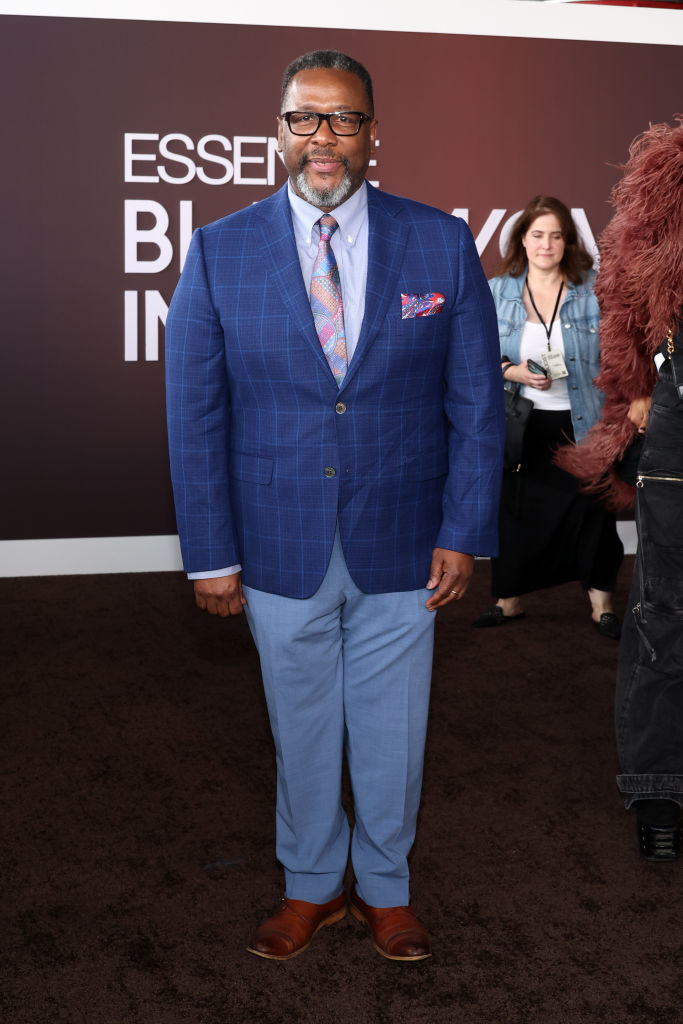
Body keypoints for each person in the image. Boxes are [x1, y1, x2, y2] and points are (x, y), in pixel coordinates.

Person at [165, 50, 505, 961]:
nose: (324, 138)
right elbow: (195, 414)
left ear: (372, 132)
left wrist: (465, 529)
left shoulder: (437, 242)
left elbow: (477, 404)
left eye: (343, 120)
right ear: (277, 131)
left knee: (394, 727)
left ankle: (386, 888)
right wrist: (210, 552)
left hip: (406, 538)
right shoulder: (218, 249)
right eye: (304, 119)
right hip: (274, 538)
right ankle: (310, 885)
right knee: (301, 722)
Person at [558, 120, 683, 860]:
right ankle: (659, 789)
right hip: (681, 416)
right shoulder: (670, 166)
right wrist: (634, 384)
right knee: (666, 605)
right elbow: (625, 281)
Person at [471, 196, 623, 637]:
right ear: (522, 239)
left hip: (584, 423)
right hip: (520, 425)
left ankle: (602, 604)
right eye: (538, 234)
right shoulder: (498, 290)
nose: (547, 244)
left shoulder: (593, 289)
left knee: (594, 513)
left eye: (556, 235)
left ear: (568, 241)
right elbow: (472, 353)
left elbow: (618, 354)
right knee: (515, 513)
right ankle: (508, 601)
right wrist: (510, 370)